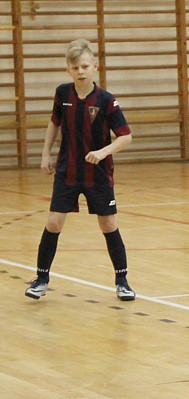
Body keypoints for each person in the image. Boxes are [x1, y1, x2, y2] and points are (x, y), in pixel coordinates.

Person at [26, 39, 134, 301]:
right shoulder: (62, 94)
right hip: (67, 171)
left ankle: (122, 281)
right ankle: (41, 279)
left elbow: (126, 137)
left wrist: (102, 152)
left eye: (85, 66)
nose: (80, 71)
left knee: (108, 224)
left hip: (98, 174)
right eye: (75, 67)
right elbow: (54, 124)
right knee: (54, 222)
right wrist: (45, 153)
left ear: (95, 66)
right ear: (68, 70)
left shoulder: (107, 100)